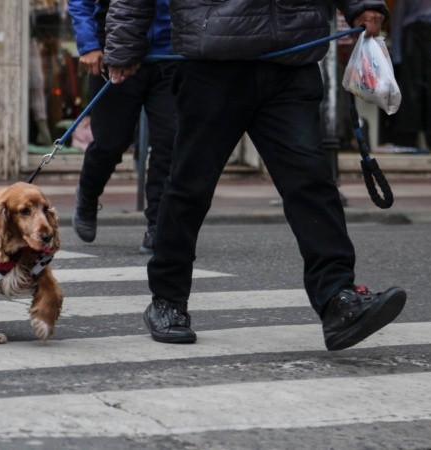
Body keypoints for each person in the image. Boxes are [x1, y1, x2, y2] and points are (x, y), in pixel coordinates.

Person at [105, 0, 407, 350]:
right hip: (214, 61)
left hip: (291, 59)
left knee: (312, 184)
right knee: (189, 187)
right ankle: (167, 300)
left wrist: (362, 5)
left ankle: (337, 298)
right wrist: (123, 46)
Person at [67, 0, 176, 254]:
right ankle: (88, 194)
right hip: (115, 51)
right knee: (110, 143)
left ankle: (158, 226)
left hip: (170, 54)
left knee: (170, 143)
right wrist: (89, 43)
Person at [390, 0, 431, 153]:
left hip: (430, 34)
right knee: (413, 87)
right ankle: (417, 135)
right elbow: (399, 16)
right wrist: (396, 54)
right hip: (413, 34)